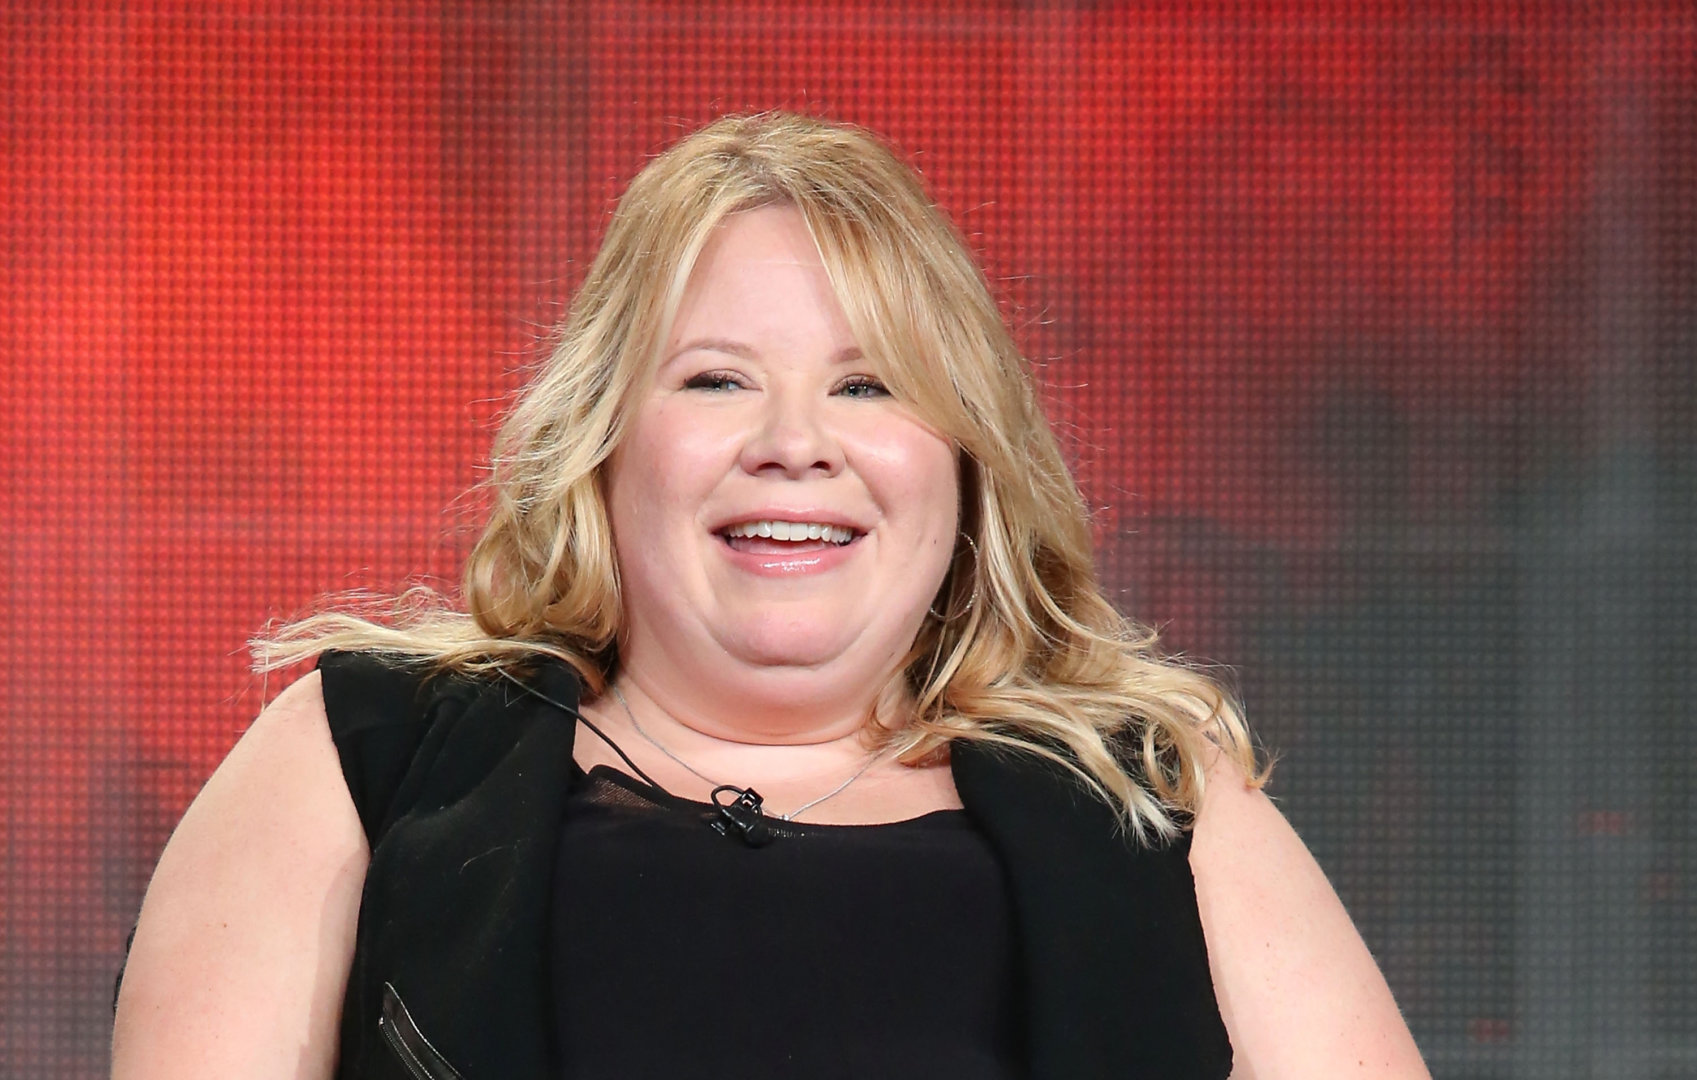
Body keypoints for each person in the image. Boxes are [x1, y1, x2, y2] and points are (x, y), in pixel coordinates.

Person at [111, 111, 1430, 1079]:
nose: (795, 442)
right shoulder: (366, 758)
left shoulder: (1151, 795)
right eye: (716, 380)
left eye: (867, 385)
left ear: (964, 462)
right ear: (603, 443)